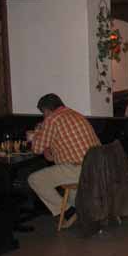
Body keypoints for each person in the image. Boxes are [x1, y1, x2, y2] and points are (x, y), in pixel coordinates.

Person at [28, 94, 100, 228]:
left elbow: (37, 148)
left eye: (43, 113)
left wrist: (36, 134)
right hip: (98, 166)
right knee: (67, 179)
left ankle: (69, 212)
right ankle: (77, 211)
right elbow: (54, 153)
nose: (43, 116)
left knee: (34, 179)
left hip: (81, 169)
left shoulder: (52, 119)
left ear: (46, 110)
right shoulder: (75, 114)